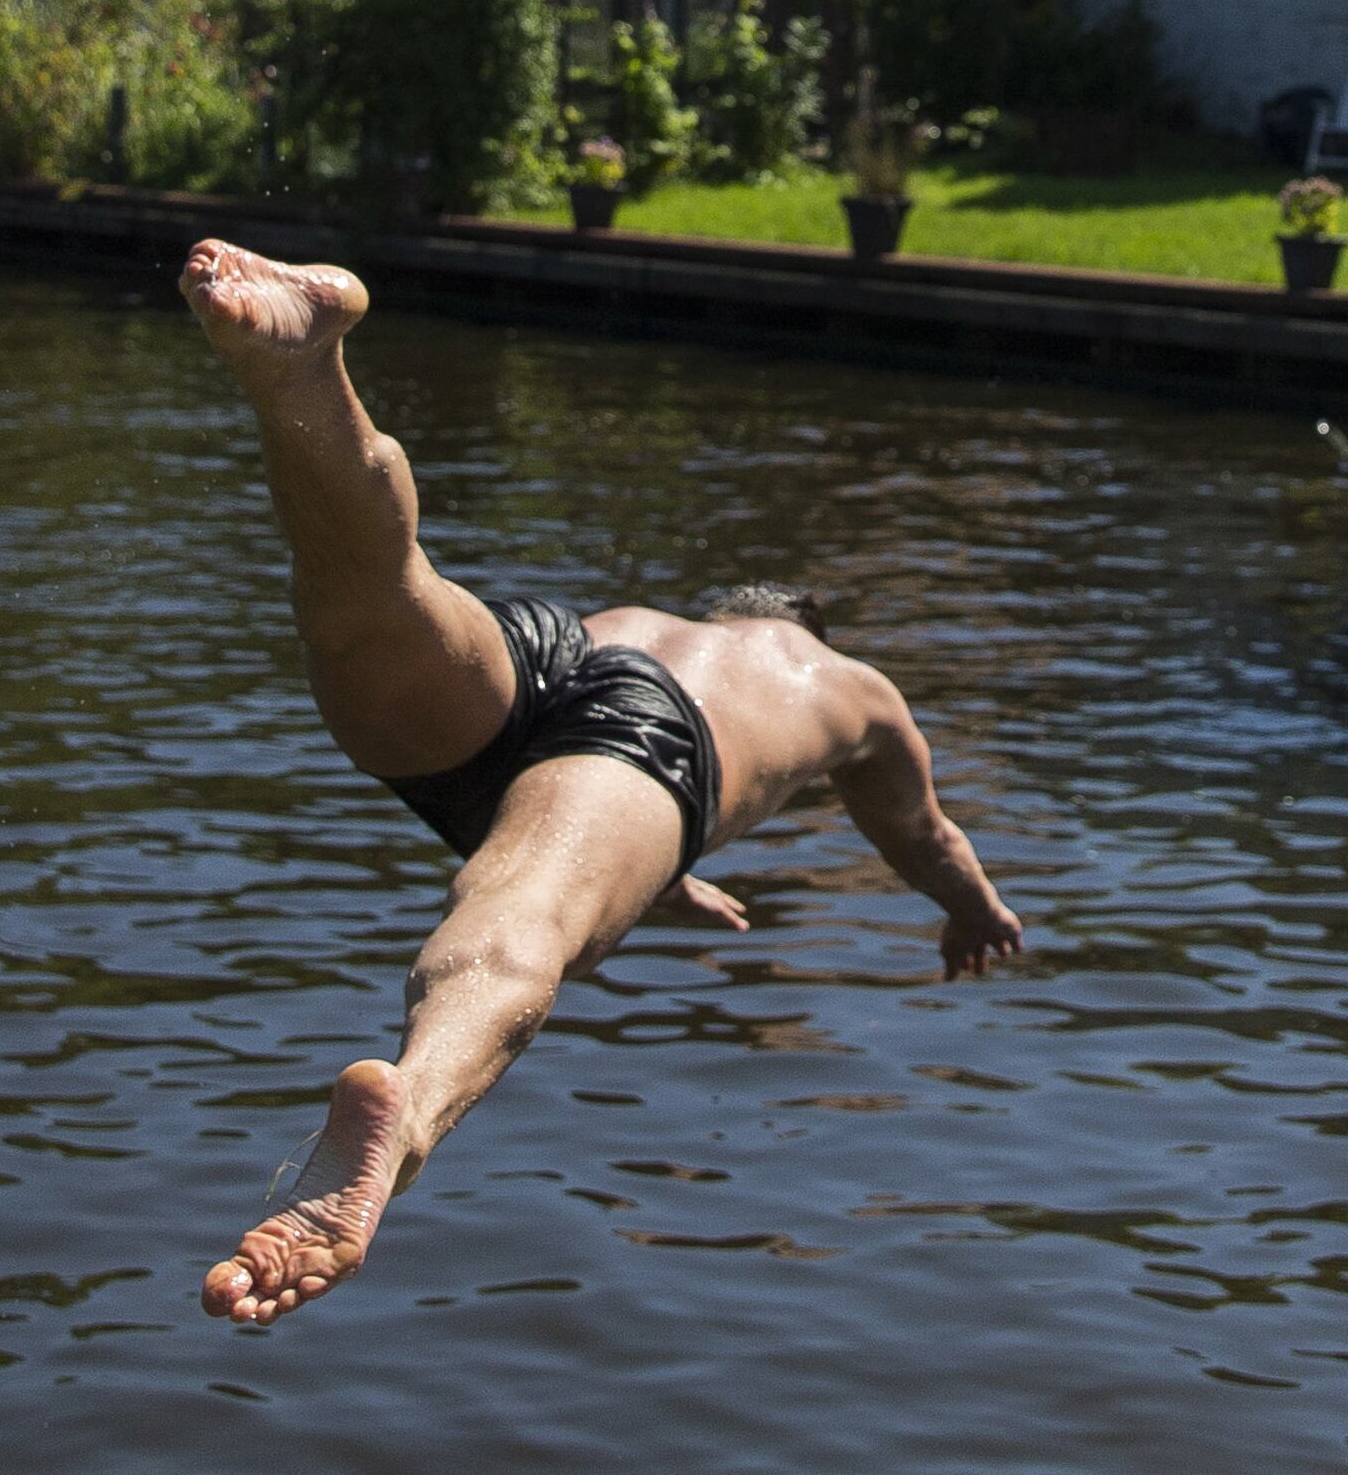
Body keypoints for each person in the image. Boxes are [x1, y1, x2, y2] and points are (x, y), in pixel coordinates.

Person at [173, 237, 1024, 1327]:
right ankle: (396, 1137)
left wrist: (668, 874)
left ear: (728, 606)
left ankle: (305, 373)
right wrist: (978, 910)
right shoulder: (843, 685)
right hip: (640, 742)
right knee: (525, 913)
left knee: (371, 592)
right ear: (803, 625)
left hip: (552, 650)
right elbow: (924, 837)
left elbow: (569, 769)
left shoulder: (670, 627)